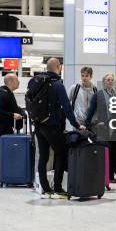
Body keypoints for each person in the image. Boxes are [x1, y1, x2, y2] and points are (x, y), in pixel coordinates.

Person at [34, 58, 85, 198]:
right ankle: (57, 187)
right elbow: (67, 107)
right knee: (61, 153)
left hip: (38, 125)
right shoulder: (57, 84)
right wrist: (76, 124)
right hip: (52, 126)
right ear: (58, 67)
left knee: (43, 156)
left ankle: (44, 188)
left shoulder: (38, 82)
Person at [0, 74, 23, 183]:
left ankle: (4, 172)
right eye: (17, 80)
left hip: (5, 127)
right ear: (10, 81)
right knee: (0, 150)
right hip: (1, 128)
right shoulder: (3, 94)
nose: (19, 82)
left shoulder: (7, 93)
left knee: (3, 150)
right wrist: (12, 115)